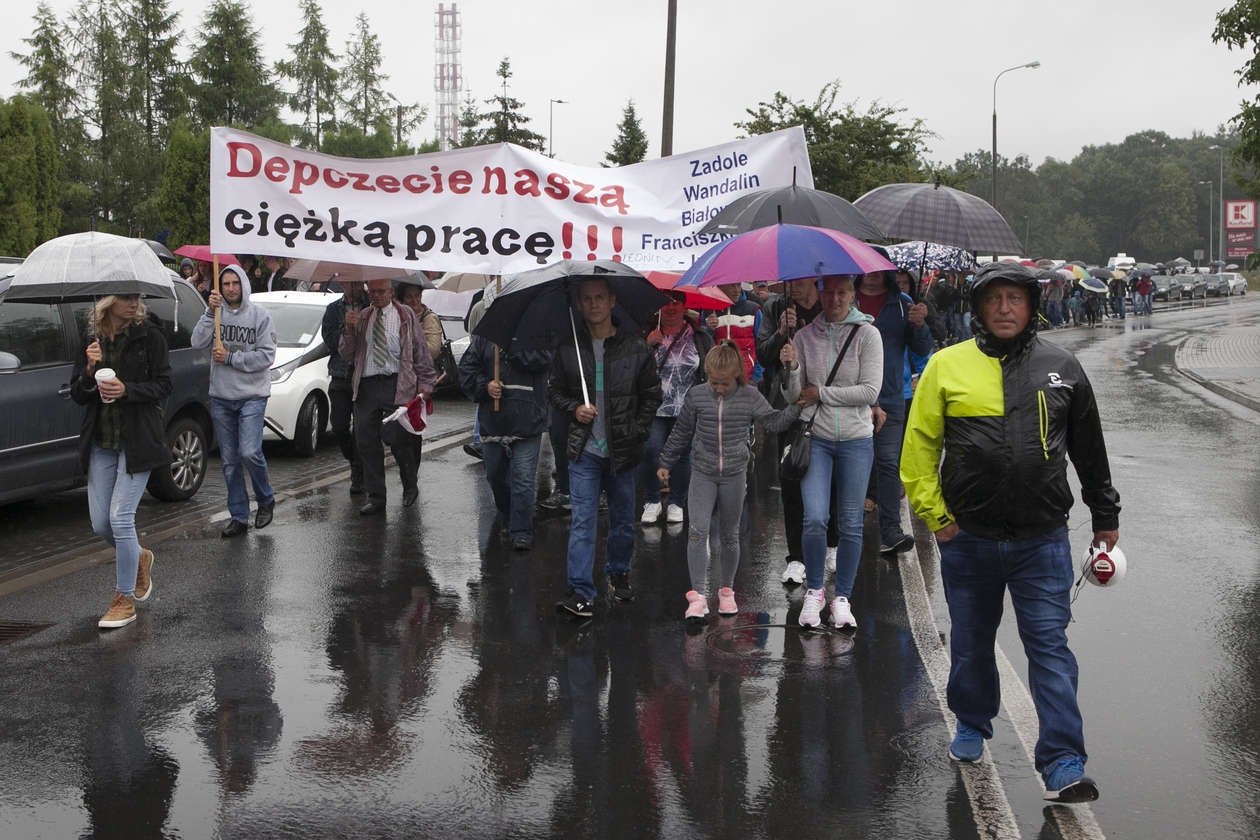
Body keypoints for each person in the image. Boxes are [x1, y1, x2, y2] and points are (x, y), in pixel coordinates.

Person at [901, 261, 1121, 803]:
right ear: (978, 308)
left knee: (1049, 646)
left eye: (1014, 298)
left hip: (1041, 540)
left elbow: (1090, 450)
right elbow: (919, 450)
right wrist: (939, 520)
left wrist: (1105, 515)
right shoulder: (945, 366)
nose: (1004, 308)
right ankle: (972, 723)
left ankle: (1065, 761)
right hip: (968, 539)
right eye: (994, 298)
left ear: (1031, 306)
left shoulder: (1062, 366)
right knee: (972, 646)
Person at [657, 343, 801, 622]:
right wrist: (666, 461)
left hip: (735, 474)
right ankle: (697, 596)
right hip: (702, 472)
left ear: (737, 376)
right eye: (713, 383)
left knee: (730, 534)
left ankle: (727, 591)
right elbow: (682, 431)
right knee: (697, 531)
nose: (719, 388)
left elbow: (772, 422)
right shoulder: (697, 396)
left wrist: (796, 408)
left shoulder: (750, 395)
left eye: (724, 384)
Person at [549, 277, 661, 618]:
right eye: (587, 299)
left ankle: (618, 570)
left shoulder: (635, 346)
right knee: (583, 520)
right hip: (584, 449)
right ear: (579, 304)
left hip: (623, 450)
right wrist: (574, 409)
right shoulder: (569, 347)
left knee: (624, 520)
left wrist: (637, 430)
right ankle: (581, 590)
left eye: (600, 297)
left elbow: (651, 394)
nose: (594, 304)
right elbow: (554, 392)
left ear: (611, 301)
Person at [781, 275, 883, 629]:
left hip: (856, 438)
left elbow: (869, 392)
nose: (834, 299)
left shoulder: (869, 335)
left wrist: (821, 392)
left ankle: (842, 597)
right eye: (828, 292)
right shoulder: (805, 336)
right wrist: (792, 367)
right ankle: (814, 591)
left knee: (852, 522)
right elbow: (794, 396)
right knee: (814, 518)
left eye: (842, 292)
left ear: (853, 295)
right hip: (817, 439)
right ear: (819, 293)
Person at [72, 294, 171, 629]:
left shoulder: (149, 336)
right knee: (101, 523)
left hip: (138, 439)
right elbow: (78, 394)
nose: (133, 303)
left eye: (136, 298)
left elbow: (165, 384)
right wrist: (88, 370)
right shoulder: (91, 340)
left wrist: (128, 390)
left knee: (120, 517)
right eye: (125, 298)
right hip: (101, 441)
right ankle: (139, 556)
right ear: (107, 302)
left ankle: (124, 599)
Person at [755, 275, 841, 584]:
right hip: (788, 406)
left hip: (826, 403)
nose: (795, 285)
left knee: (830, 477)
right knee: (792, 476)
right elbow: (763, 355)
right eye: (790, 280)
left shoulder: (829, 306)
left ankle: (832, 541)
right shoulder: (773, 307)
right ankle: (796, 557)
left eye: (801, 280)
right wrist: (780, 333)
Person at [191, 265, 278, 537]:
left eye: (235, 283)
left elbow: (266, 357)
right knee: (229, 461)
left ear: (243, 285)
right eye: (225, 283)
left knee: (249, 452)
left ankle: (265, 499)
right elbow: (196, 342)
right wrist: (208, 312)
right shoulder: (214, 314)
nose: (230, 288)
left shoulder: (260, 317)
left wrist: (231, 358)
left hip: (252, 395)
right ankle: (239, 515)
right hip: (221, 396)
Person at [855, 254, 932, 556]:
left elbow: (921, 347)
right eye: (866, 267)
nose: (871, 274)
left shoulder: (902, 303)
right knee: (851, 463)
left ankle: (891, 530)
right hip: (853, 396)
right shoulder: (846, 299)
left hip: (891, 395)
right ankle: (842, 530)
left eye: (878, 268)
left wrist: (919, 325)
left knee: (888, 463)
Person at [340, 275, 435, 514]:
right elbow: (347, 355)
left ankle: (409, 485)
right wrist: (348, 330)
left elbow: (420, 350)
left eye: (381, 291)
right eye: (372, 292)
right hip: (367, 384)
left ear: (391, 292)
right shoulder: (362, 317)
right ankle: (376, 497)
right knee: (366, 441)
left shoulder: (405, 315)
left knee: (400, 438)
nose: (377, 296)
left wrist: (426, 382)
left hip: (397, 383)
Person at [459, 332, 552, 550]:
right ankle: (509, 514)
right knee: (495, 476)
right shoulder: (485, 338)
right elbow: (466, 370)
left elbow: (544, 360)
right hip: (494, 422)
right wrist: (485, 385)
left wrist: (514, 348)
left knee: (523, 479)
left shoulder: (538, 334)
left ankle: (521, 531)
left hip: (528, 420)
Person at [640, 291, 713, 526]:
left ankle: (676, 502)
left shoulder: (699, 336)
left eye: (677, 303)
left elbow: (710, 369)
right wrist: (646, 346)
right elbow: (630, 367)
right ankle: (652, 499)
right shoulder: (647, 333)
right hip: (654, 408)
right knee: (651, 450)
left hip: (687, 409)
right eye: (666, 303)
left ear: (684, 306)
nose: (671, 307)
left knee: (682, 456)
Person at [396, 279, 444, 490]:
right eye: (409, 297)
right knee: (397, 432)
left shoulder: (428, 318)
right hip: (397, 380)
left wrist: (413, 339)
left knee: (412, 430)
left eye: (417, 296)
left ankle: (411, 474)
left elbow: (433, 349)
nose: (414, 300)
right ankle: (407, 474)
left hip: (418, 382)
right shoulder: (397, 316)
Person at [321, 281, 366, 494]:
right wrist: (345, 328)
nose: (354, 288)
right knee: (339, 425)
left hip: (364, 375)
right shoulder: (333, 310)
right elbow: (329, 341)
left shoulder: (370, 306)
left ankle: (359, 473)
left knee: (361, 428)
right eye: (350, 285)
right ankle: (354, 459)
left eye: (358, 284)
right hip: (340, 374)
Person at [704, 283, 763, 385]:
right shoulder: (709, 310)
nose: (737, 290)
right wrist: (709, 330)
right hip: (718, 380)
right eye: (732, 285)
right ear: (720, 286)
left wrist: (756, 376)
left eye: (739, 285)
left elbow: (762, 344)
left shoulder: (753, 309)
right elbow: (703, 345)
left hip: (748, 378)